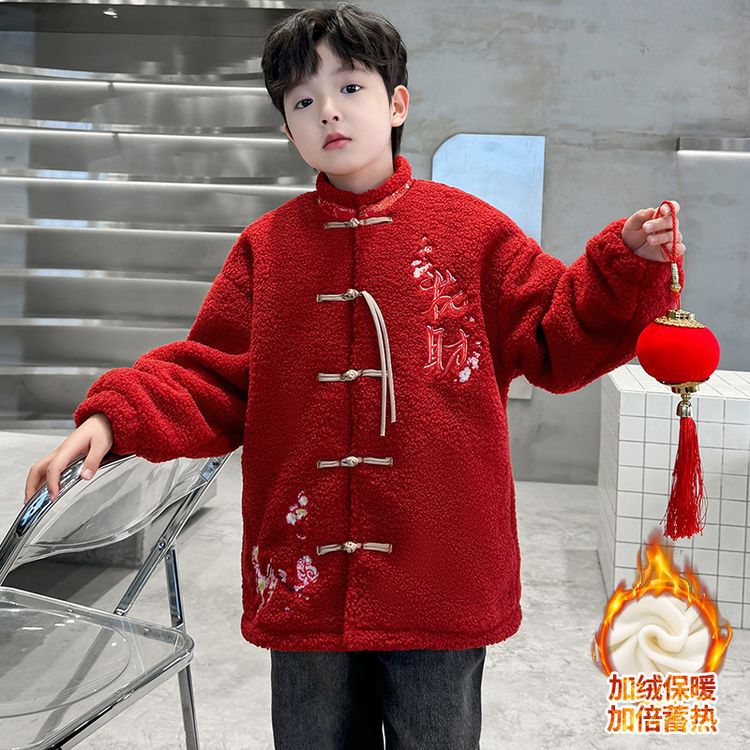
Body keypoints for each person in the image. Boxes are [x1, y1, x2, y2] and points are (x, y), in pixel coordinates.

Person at [23, 3, 686, 748]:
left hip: (441, 565)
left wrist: (625, 264)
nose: (329, 112)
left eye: (349, 87)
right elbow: (213, 373)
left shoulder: (471, 233)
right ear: (287, 129)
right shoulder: (267, 249)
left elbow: (555, 335)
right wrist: (112, 417)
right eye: (303, 101)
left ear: (396, 103)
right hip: (304, 567)